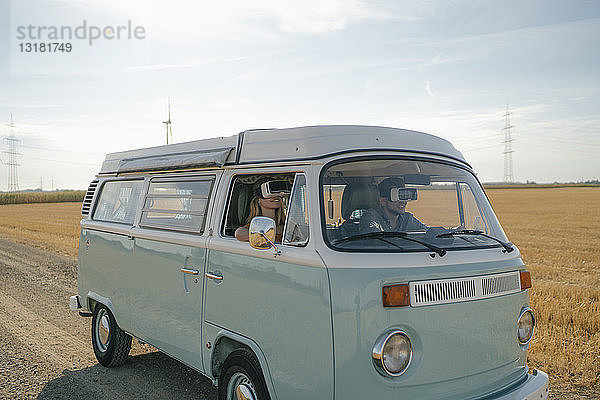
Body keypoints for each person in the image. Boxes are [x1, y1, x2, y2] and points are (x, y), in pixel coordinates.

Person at [359, 177, 426, 233]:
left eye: (403, 197)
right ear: (383, 201)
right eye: (397, 197)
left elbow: (428, 232)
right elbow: (373, 239)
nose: (403, 202)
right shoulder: (371, 217)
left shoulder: (408, 219)